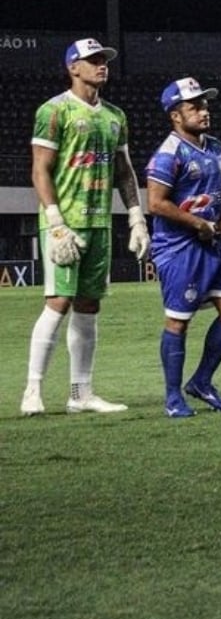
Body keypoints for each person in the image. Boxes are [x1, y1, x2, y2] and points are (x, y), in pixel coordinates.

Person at [21, 37, 147, 416]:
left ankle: (81, 393)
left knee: (89, 306)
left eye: (103, 60)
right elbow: (39, 168)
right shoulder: (54, 111)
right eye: (92, 60)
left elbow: (124, 172)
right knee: (58, 302)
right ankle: (32, 390)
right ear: (73, 67)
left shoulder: (115, 116)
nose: (101, 65)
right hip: (64, 222)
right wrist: (55, 221)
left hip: (98, 223)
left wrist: (136, 217)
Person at [144, 78, 221, 417]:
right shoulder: (168, 153)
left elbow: (217, 186)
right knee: (178, 321)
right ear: (175, 115)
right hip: (179, 247)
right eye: (195, 107)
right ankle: (173, 398)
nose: (204, 111)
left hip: (213, 244)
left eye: (205, 105)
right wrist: (198, 224)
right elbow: (156, 203)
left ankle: (201, 381)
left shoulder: (214, 146)